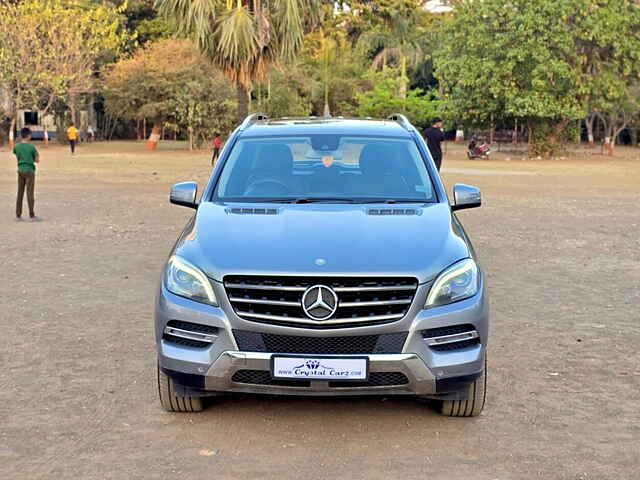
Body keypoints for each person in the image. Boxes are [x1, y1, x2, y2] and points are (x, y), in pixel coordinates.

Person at [13, 127, 39, 220]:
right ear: (28, 136)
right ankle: (32, 215)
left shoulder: (17, 146)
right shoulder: (31, 147)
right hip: (29, 171)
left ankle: (18, 214)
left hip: (20, 170)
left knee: (20, 192)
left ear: (21, 135)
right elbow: (37, 160)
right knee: (30, 193)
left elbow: (16, 154)